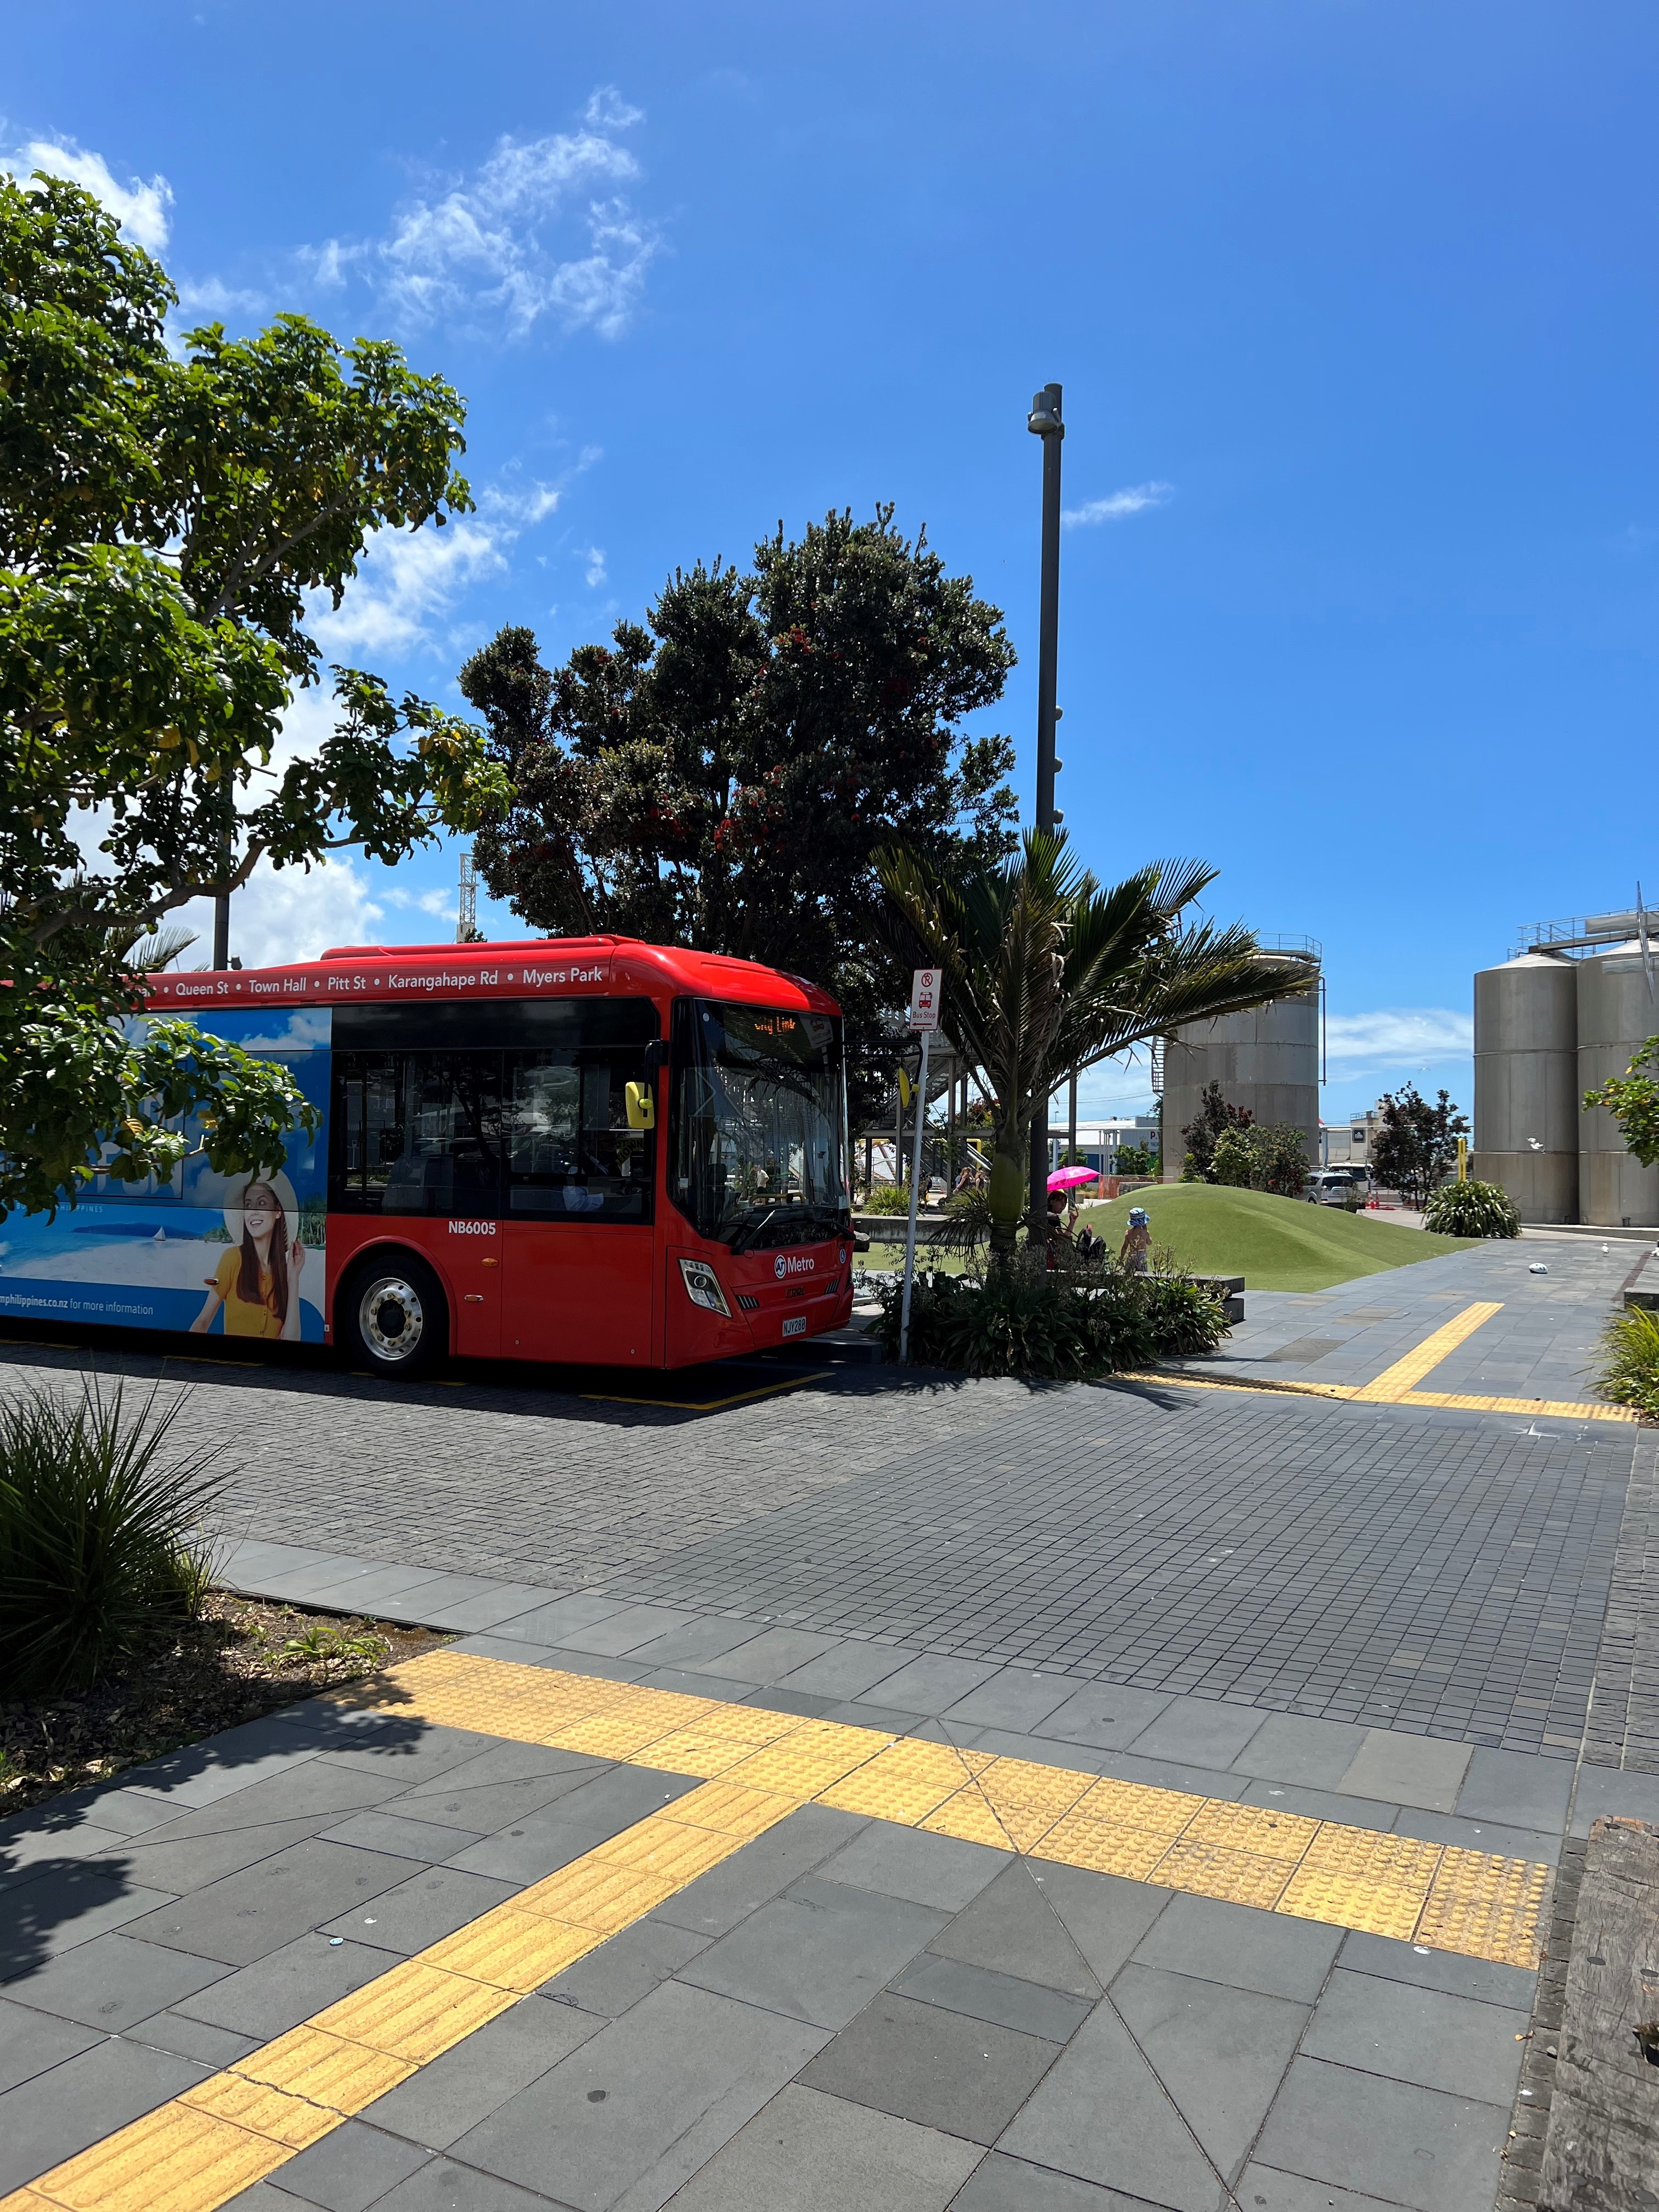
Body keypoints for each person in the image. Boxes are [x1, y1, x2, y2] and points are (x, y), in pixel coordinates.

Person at [190, 1180, 306, 1339]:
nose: (253, 1212)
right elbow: (203, 1321)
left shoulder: (283, 1275)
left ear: (278, 1212)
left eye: (262, 1203)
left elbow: (291, 1339)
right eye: (249, 1205)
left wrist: (294, 1278)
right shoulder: (233, 1259)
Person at [1120, 1204, 1152, 1276]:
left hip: (1132, 1258)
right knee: (1143, 1277)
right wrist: (1146, 1231)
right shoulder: (1145, 1233)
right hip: (1142, 1260)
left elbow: (1124, 1247)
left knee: (1130, 1276)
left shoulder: (1128, 1233)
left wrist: (1121, 1259)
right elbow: (1149, 1243)